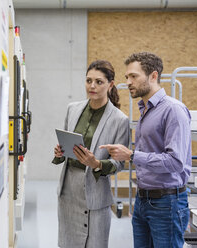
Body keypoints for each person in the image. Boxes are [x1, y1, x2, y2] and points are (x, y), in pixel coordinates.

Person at [100, 52, 191, 248]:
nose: (128, 82)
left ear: (153, 76)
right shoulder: (146, 110)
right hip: (143, 199)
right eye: (127, 77)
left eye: (134, 76)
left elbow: (175, 162)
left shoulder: (173, 110)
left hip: (167, 203)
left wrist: (131, 155)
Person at [52, 60, 130, 248]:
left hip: (95, 193)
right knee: (67, 243)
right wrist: (59, 153)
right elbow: (64, 145)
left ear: (110, 84)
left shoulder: (120, 120)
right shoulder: (73, 109)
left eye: (99, 82)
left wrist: (96, 164)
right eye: (88, 81)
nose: (92, 86)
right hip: (69, 190)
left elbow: (119, 164)